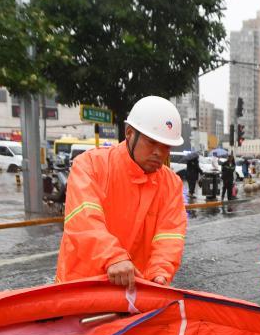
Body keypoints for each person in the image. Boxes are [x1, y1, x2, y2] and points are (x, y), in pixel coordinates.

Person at [56, 96, 187, 290]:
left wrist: (160, 273)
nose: (159, 153)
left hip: (134, 290)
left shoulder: (171, 184)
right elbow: (83, 220)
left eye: (166, 146)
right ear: (129, 133)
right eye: (151, 142)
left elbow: (169, 236)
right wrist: (113, 257)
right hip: (81, 288)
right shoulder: (90, 165)